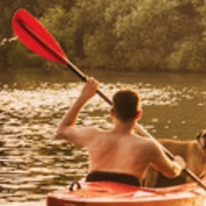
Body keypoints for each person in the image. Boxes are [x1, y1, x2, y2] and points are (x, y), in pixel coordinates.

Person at [56, 78, 185, 187]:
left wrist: (83, 97)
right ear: (139, 114)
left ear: (112, 113)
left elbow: (62, 130)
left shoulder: (93, 136)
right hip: (126, 196)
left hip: (95, 192)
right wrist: (179, 164)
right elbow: (171, 172)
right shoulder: (148, 146)